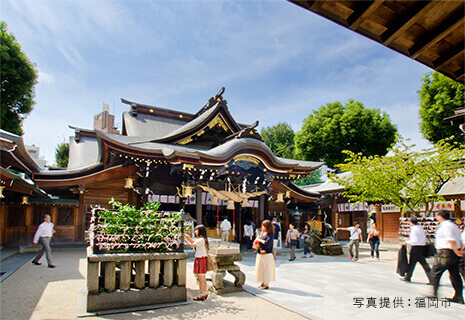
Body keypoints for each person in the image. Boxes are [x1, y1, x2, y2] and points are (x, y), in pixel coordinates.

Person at [430, 210, 463, 304]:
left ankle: (434, 294)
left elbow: (451, 240)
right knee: (455, 274)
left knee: (435, 271)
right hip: (453, 252)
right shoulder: (454, 226)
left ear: (440, 216)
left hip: (445, 252)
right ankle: (458, 296)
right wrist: (458, 250)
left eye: (437, 215)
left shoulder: (446, 226)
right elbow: (459, 240)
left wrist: (457, 252)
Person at [400, 217, 432, 284]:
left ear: (411, 222)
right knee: (424, 265)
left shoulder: (414, 230)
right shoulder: (421, 229)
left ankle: (408, 277)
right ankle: (432, 278)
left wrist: (407, 242)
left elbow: (414, 240)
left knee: (412, 264)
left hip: (415, 248)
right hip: (422, 248)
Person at [184, 225, 210, 301]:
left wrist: (185, 240)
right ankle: (204, 292)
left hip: (200, 259)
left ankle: (201, 293)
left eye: (196, 230)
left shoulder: (201, 240)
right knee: (203, 277)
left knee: (201, 278)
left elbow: (192, 245)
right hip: (202, 258)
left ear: (200, 231)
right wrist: (187, 237)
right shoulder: (202, 239)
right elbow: (193, 241)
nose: (195, 232)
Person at [254, 220, 275, 289]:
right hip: (260, 253)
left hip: (267, 254)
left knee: (266, 269)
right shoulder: (262, 233)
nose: (262, 227)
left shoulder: (270, 234)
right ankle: (262, 282)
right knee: (261, 268)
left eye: (263, 226)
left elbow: (267, 243)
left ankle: (266, 283)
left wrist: (259, 240)